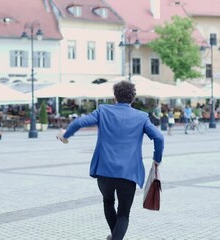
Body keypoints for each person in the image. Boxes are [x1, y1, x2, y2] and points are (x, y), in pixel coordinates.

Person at [56, 80, 164, 240]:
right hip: (128, 173)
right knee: (124, 214)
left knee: (108, 202)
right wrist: (156, 160)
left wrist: (65, 135)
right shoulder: (141, 117)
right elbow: (159, 137)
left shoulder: (103, 111)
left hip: (104, 171)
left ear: (115, 97)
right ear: (133, 98)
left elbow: (79, 122)